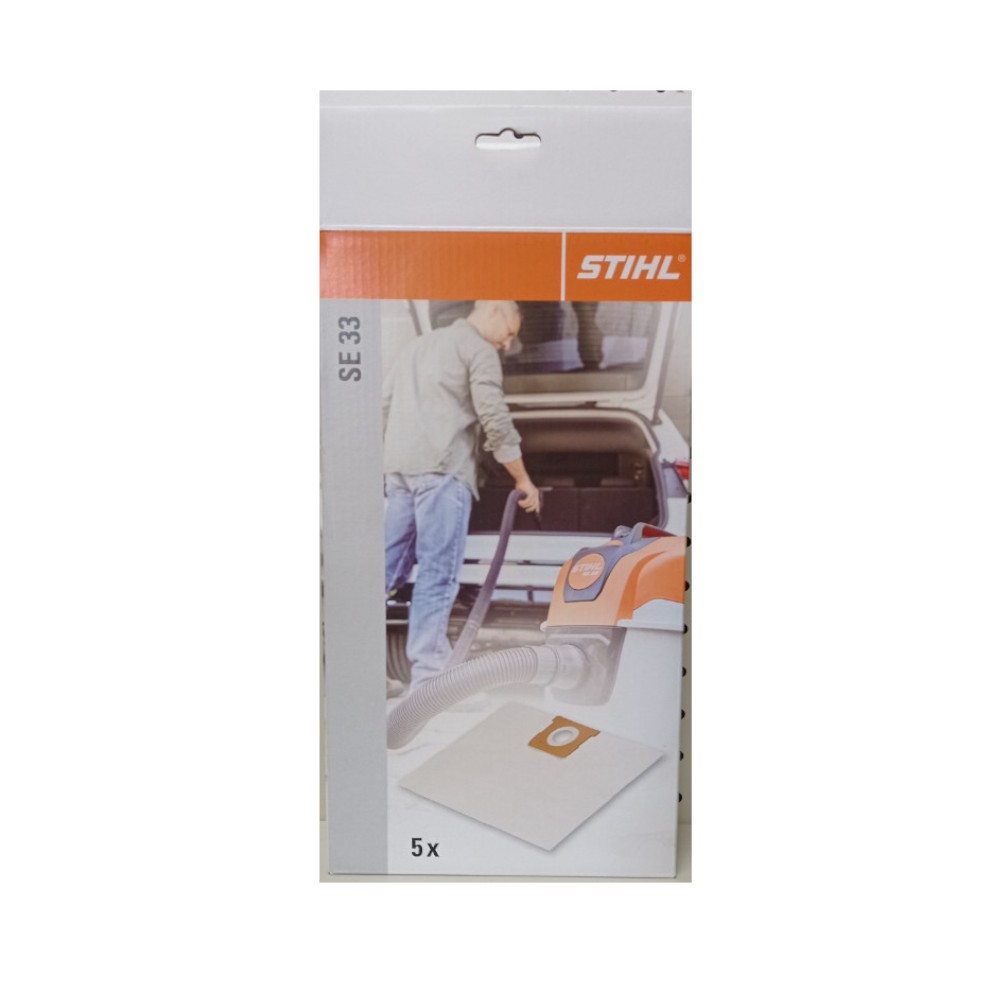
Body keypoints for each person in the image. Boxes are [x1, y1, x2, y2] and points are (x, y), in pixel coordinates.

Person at [382, 300, 541, 693]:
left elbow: (383, 407)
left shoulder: (416, 346)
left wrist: (388, 461)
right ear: (495, 309)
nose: (507, 345)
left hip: (400, 472)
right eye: (510, 334)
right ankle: (431, 680)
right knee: (437, 575)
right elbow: (494, 417)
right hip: (442, 473)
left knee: (382, 571)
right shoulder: (479, 350)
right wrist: (522, 479)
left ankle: (357, 667)